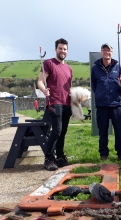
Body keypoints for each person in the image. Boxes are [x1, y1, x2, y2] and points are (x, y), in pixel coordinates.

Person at [37, 38, 73, 171]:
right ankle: (49, 158)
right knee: (56, 131)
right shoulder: (48, 63)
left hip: (67, 103)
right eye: (60, 48)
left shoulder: (69, 68)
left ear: (67, 51)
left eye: (65, 49)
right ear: (55, 49)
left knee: (63, 132)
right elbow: (40, 81)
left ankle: (60, 157)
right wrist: (43, 89)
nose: (62, 51)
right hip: (54, 101)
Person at [91, 43, 121, 161]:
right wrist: (100, 95)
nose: (107, 52)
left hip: (117, 104)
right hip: (102, 105)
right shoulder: (95, 68)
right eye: (104, 50)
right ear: (101, 52)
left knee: (119, 131)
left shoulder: (118, 67)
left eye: (109, 50)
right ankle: (103, 153)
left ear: (112, 53)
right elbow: (94, 86)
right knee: (103, 131)